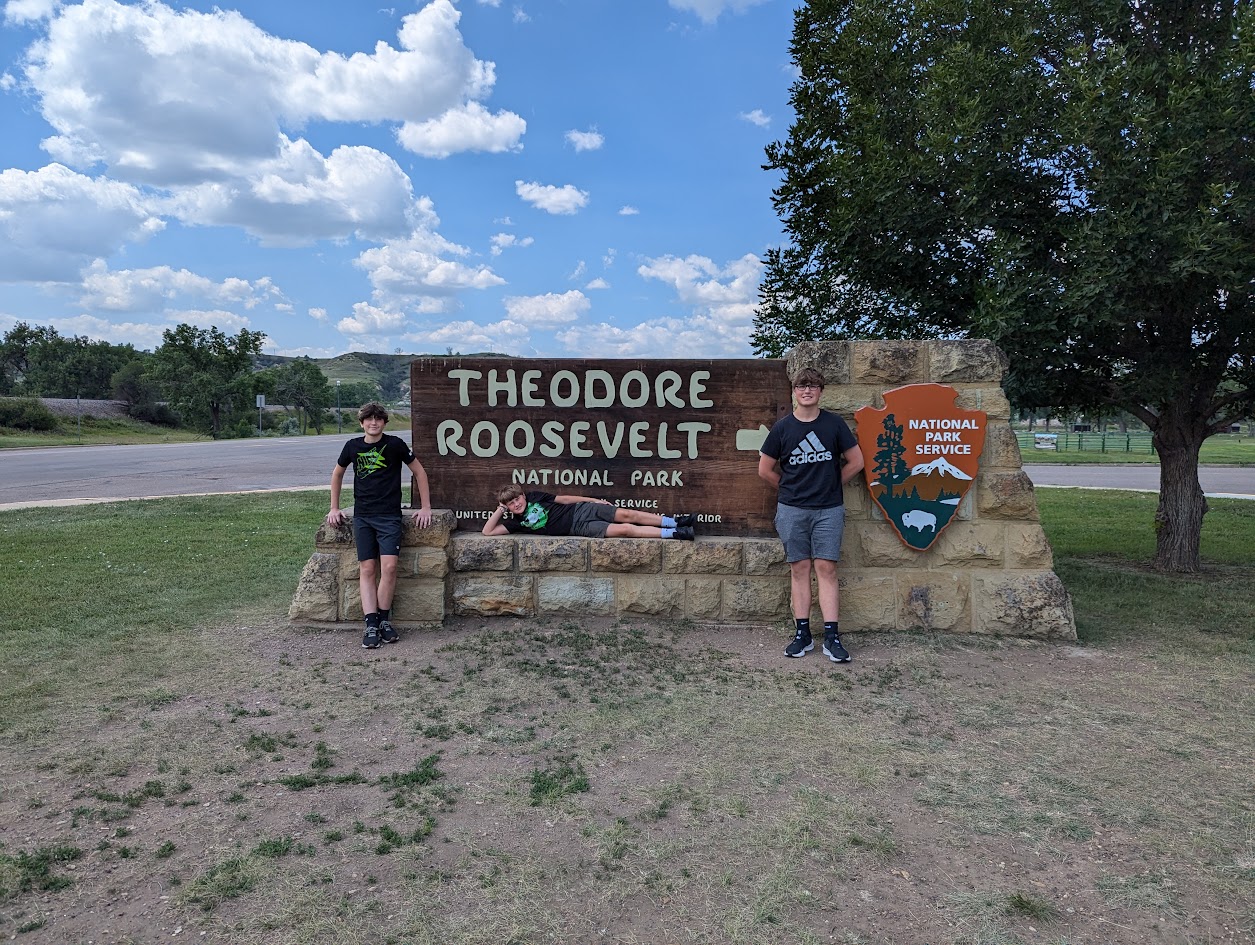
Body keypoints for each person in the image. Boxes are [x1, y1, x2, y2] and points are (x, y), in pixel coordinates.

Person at [757, 367, 864, 663]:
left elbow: (856, 462)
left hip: (828, 510)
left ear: (821, 391)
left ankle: (832, 637)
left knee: (827, 568)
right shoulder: (782, 428)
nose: (807, 391)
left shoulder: (834, 425)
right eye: (802, 386)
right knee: (799, 568)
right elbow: (764, 469)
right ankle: (801, 634)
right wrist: (791, 487)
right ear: (794, 391)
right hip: (792, 510)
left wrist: (830, 483)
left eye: (813, 387)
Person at [326, 402, 432, 649]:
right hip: (364, 516)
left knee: (390, 567)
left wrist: (425, 507)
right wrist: (334, 507)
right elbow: (337, 474)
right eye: (369, 419)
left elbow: (419, 472)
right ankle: (370, 623)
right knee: (367, 569)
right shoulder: (352, 446)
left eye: (378, 419)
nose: (373, 423)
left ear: (384, 422)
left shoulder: (394, 444)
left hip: (389, 516)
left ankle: (384, 620)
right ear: (361, 422)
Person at [482, 484, 696, 540]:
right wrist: (500, 510)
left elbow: (564, 499)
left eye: (517, 498)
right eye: (510, 503)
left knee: (629, 515)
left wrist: (592, 500)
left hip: (581, 509)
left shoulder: (536, 496)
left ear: (523, 495)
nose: (516, 504)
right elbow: (487, 532)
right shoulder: (516, 523)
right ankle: (675, 535)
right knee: (625, 530)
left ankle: (674, 522)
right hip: (580, 527)